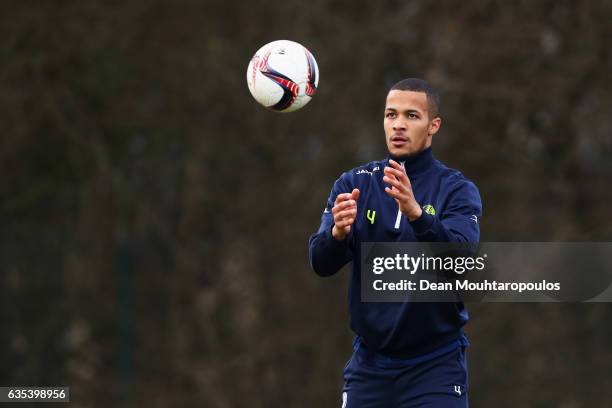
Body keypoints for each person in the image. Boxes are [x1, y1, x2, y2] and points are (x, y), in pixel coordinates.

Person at [308, 78, 482, 407]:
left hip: (435, 367)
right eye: (391, 115)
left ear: (434, 125)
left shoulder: (456, 189)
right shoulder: (353, 183)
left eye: (412, 116)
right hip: (370, 368)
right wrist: (337, 235)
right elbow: (320, 262)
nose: (399, 124)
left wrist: (418, 215)